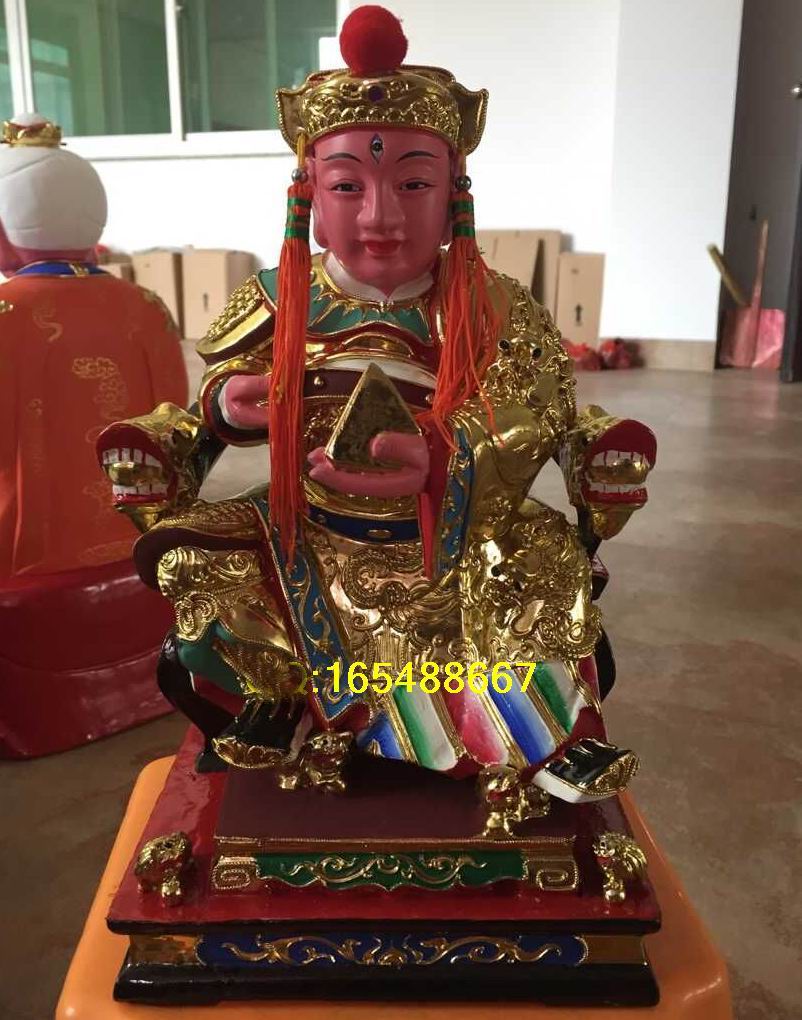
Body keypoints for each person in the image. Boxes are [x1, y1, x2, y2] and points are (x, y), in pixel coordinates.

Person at [99, 6, 656, 804]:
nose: (380, 217)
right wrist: (228, 407)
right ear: (308, 196)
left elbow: (542, 412)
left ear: (454, 192)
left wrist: (445, 459)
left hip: (458, 534)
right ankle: (275, 696)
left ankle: (547, 737)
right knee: (195, 561)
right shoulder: (274, 301)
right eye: (347, 186)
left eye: (413, 184)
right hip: (305, 525)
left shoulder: (496, 305)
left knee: (542, 566)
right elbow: (204, 411)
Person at [0, 112, 187, 576]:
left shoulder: (7, 313)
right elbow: (176, 430)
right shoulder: (146, 306)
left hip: (27, 563)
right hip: (142, 547)